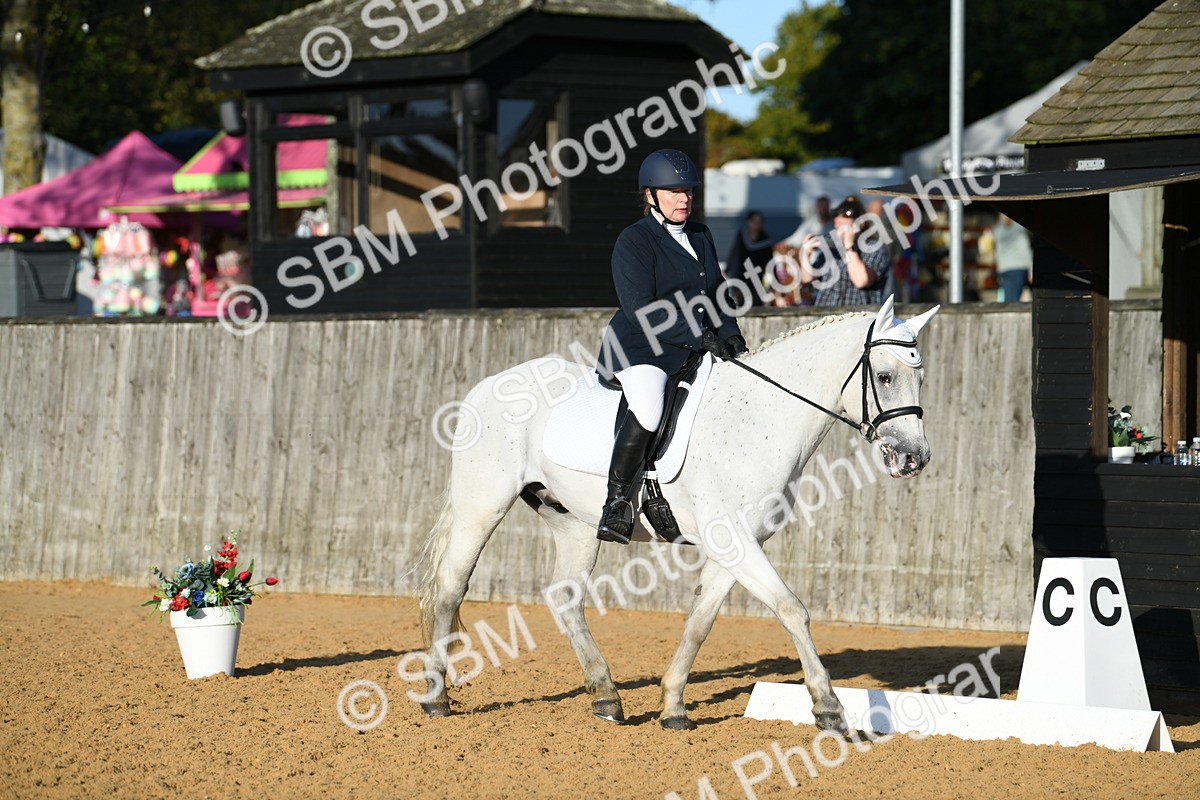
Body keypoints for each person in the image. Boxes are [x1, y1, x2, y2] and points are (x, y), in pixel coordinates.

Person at [595, 149, 747, 545]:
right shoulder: (634, 240)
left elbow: (717, 292)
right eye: (674, 191)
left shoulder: (701, 234)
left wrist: (730, 333)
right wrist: (700, 336)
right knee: (648, 406)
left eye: (689, 191)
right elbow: (641, 308)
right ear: (651, 195)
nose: (684, 198)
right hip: (640, 348)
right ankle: (617, 503)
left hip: (692, 346)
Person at [798, 195, 892, 306]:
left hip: (858, 318)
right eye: (837, 228)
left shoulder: (874, 248)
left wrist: (849, 245)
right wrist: (806, 254)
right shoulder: (833, 250)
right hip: (826, 318)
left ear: (860, 225)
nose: (839, 233)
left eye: (844, 227)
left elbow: (861, 281)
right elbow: (808, 281)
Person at [724, 209, 773, 307]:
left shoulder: (765, 240)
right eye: (754, 221)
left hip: (757, 279)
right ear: (748, 222)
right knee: (740, 304)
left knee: (756, 304)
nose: (756, 224)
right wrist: (727, 270)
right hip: (741, 277)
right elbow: (735, 254)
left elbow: (769, 261)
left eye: (759, 222)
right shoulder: (741, 236)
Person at [992, 213, 1032, 301]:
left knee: (1009, 298)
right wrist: (1031, 270)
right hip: (1019, 267)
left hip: (1005, 268)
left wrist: (999, 267)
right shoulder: (1019, 230)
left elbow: (998, 252)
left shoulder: (998, 230)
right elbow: (1025, 250)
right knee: (1015, 299)